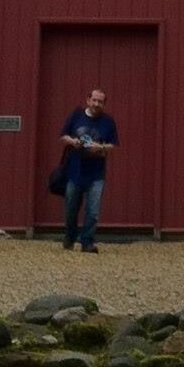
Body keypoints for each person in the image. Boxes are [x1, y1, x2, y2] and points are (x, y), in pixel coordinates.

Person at [59, 86, 118, 252]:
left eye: (100, 101)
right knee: (71, 208)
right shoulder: (76, 116)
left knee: (93, 211)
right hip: (75, 170)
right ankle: (70, 236)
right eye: (94, 100)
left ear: (104, 104)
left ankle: (87, 242)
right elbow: (63, 136)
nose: (97, 104)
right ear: (88, 100)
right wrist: (73, 142)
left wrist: (99, 147)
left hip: (96, 173)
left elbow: (113, 145)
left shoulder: (108, 122)